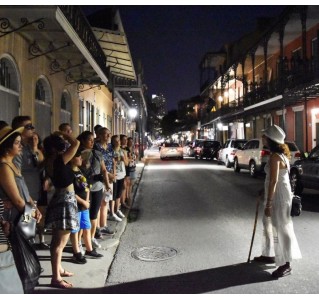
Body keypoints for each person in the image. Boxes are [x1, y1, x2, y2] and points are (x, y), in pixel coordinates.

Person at [0, 126, 42, 293]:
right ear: (6, 146)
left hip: (24, 212)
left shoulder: (12, 163)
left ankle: (26, 280)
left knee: (26, 244)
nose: (20, 146)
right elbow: (17, 199)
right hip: (14, 216)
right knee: (18, 249)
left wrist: (34, 209)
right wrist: (30, 211)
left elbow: (24, 192)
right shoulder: (3, 166)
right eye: (16, 143)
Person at [257, 124, 302, 278]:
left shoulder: (276, 156)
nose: (263, 138)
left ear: (271, 140)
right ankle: (269, 253)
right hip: (278, 193)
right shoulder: (277, 155)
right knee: (269, 224)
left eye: (265, 136)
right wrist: (264, 191)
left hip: (279, 196)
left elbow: (274, 181)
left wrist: (269, 203)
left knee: (281, 227)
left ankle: (286, 264)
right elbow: (272, 179)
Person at [43, 131, 80, 288]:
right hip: (66, 201)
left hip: (59, 199)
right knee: (60, 243)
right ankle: (56, 278)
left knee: (56, 241)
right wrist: (63, 133)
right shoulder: (60, 160)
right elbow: (76, 144)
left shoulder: (49, 161)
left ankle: (58, 269)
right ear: (56, 148)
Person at [11, 116, 47, 249]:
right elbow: (17, 175)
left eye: (32, 126)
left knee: (30, 223)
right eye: (28, 126)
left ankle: (29, 246)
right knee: (25, 224)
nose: (33, 129)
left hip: (33, 192)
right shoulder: (15, 148)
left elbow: (41, 164)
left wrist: (35, 148)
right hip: (24, 195)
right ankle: (25, 251)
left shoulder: (28, 145)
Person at [77, 131, 111, 250]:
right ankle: (79, 241)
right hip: (83, 188)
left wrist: (107, 185)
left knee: (94, 214)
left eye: (93, 140)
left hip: (97, 187)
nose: (92, 142)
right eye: (89, 140)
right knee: (82, 215)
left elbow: (104, 170)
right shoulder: (78, 154)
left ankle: (91, 238)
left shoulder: (97, 153)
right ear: (83, 141)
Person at [69, 150, 103, 263]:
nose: (81, 159)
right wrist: (83, 202)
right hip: (76, 205)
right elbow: (70, 192)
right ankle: (76, 252)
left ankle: (89, 249)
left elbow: (87, 186)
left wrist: (87, 200)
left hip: (84, 205)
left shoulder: (80, 170)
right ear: (72, 158)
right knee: (75, 229)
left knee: (86, 227)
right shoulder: (70, 173)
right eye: (78, 157)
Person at [94, 127, 115, 236]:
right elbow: (99, 165)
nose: (108, 136)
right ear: (100, 135)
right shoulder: (96, 147)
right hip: (100, 177)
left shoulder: (110, 146)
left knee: (105, 202)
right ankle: (97, 228)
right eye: (106, 134)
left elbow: (112, 159)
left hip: (109, 177)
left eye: (109, 134)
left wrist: (113, 174)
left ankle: (104, 225)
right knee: (98, 203)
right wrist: (108, 174)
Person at [109, 135, 126, 222]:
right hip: (114, 175)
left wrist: (123, 158)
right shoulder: (110, 151)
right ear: (112, 142)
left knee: (119, 193)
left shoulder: (122, 151)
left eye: (118, 141)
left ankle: (117, 209)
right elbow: (110, 162)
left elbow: (126, 163)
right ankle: (112, 212)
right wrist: (115, 159)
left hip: (122, 174)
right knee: (113, 194)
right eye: (115, 141)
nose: (118, 142)